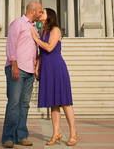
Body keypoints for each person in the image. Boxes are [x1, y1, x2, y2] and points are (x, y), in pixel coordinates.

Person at [30, 8, 78, 146]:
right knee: (53, 103)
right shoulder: (43, 31)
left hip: (57, 67)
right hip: (47, 67)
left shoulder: (55, 30)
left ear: (49, 16)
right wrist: (37, 67)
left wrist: (36, 39)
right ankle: (56, 132)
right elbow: (41, 52)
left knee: (65, 102)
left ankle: (73, 132)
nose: (40, 14)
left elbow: (49, 47)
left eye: (43, 12)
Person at [2, 0, 42, 148]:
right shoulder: (17, 23)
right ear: (32, 11)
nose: (40, 13)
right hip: (17, 69)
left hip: (30, 71)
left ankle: (21, 135)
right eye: (39, 11)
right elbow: (11, 44)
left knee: (24, 105)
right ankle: (8, 137)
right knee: (14, 103)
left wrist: (36, 68)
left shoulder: (34, 27)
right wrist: (14, 66)